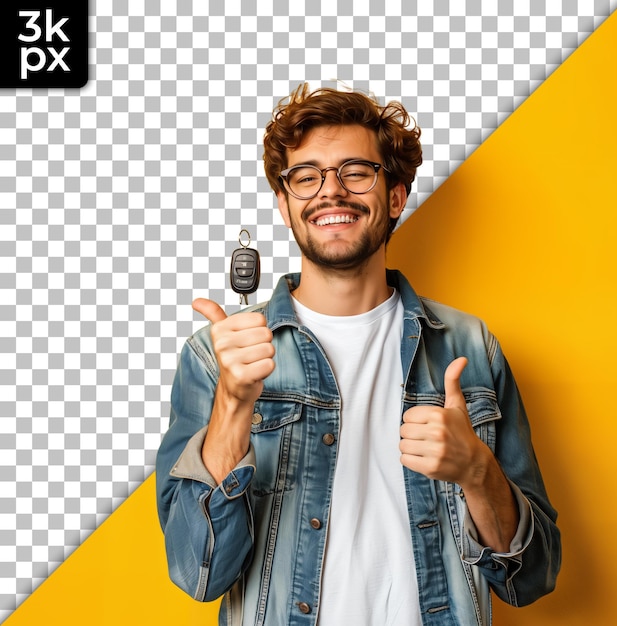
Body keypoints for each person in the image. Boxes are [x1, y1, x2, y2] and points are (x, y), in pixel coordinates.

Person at [156, 84, 561, 626]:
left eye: (356, 171)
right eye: (307, 176)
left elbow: (532, 575)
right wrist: (232, 405)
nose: (331, 191)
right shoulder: (217, 357)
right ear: (285, 205)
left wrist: (477, 472)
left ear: (394, 196)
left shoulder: (469, 347)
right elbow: (197, 573)